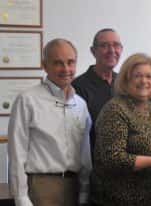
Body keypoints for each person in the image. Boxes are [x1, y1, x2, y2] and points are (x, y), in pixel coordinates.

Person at [8, 39, 92, 206]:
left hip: (73, 186)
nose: (66, 69)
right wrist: (21, 198)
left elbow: (84, 154)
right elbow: (16, 153)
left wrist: (84, 190)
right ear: (44, 65)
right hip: (41, 187)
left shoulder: (80, 104)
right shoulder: (28, 100)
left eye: (70, 62)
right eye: (58, 63)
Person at [93, 53, 151, 206]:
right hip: (120, 198)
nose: (144, 81)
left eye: (149, 76)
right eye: (137, 76)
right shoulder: (115, 109)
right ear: (126, 79)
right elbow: (114, 159)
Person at [72, 28, 123, 155]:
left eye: (116, 45)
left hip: (125, 164)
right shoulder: (77, 86)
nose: (112, 51)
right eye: (105, 45)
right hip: (93, 164)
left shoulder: (125, 84)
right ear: (93, 51)